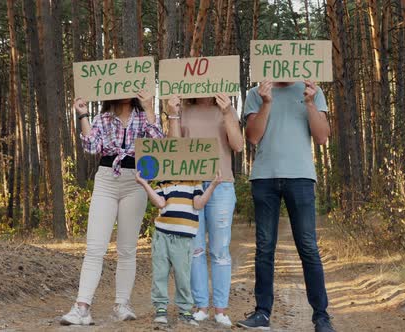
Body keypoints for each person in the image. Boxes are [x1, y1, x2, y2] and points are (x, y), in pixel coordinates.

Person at [237, 80, 335, 332]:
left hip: (300, 177)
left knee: (308, 247)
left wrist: (311, 102)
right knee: (264, 248)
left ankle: (321, 317)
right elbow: (253, 136)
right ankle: (262, 314)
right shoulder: (255, 93)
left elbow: (322, 137)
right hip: (264, 177)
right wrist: (267, 102)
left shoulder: (312, 91)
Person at [60, 90, 164, 326]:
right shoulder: (103, 117)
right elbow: (91, 147)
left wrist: (149, 109)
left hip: (136, 180)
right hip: (106, 179)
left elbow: (157, 145)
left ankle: (122, 304)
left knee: (127, 249)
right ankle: (82, 307)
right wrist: (83, 115)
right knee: (95, 247)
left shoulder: (143, 115)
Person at [167, 93, 243, 327]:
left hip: (221, 185)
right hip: (189, 186)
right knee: (195, 249)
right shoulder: (183, 109)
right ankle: (200, 306)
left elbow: (238, 145)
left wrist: (228, 111)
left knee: (220, 250)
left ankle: (220, 310)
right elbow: (173, 148)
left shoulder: (226, 109)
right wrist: (172, 114)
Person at [135, 170, 222, 326]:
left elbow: (199, 204)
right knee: (160, 273)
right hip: (162, 235)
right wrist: (144, 184)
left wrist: (213, 185)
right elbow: (160, 203)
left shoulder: (194, 182)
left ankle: (185, 310)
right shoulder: (163, 182)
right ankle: (160, 308)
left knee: (183, 275)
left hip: (184, 238)